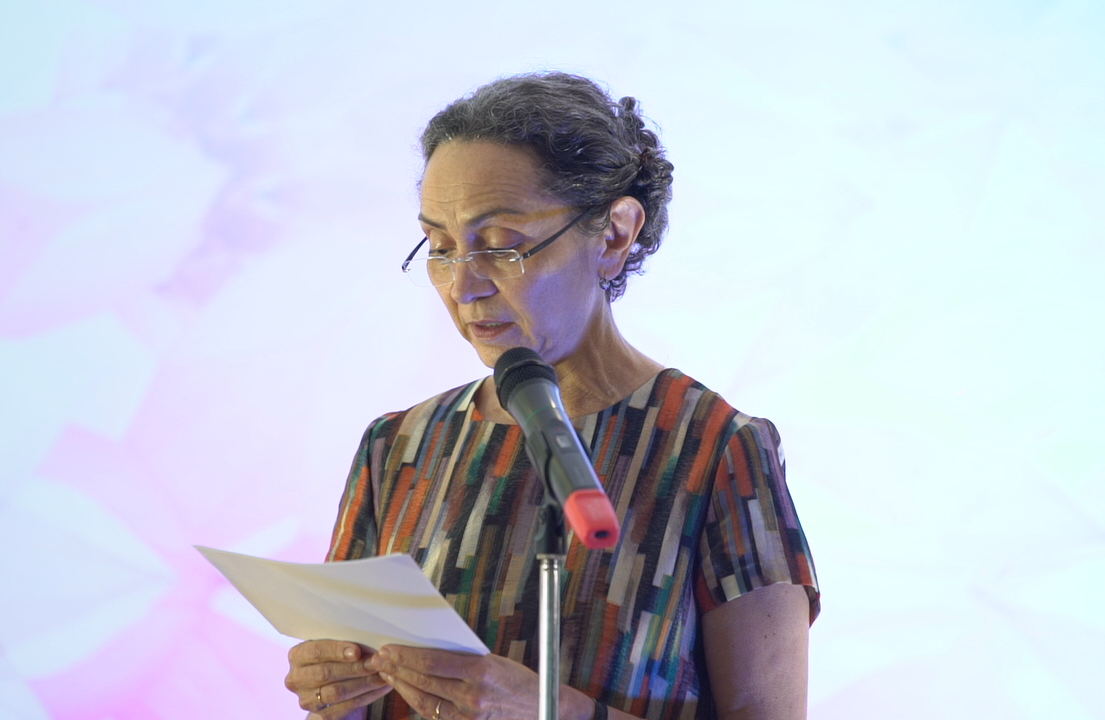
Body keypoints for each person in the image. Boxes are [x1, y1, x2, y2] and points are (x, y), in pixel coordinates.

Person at [284, 72, 820, 720]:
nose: (464, 287)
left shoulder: (713, 449)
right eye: (442, 247)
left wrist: (547, 710)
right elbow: (338, 692)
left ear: (615, 234)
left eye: (503, 246)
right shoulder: (396, 448)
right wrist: (330, 683)